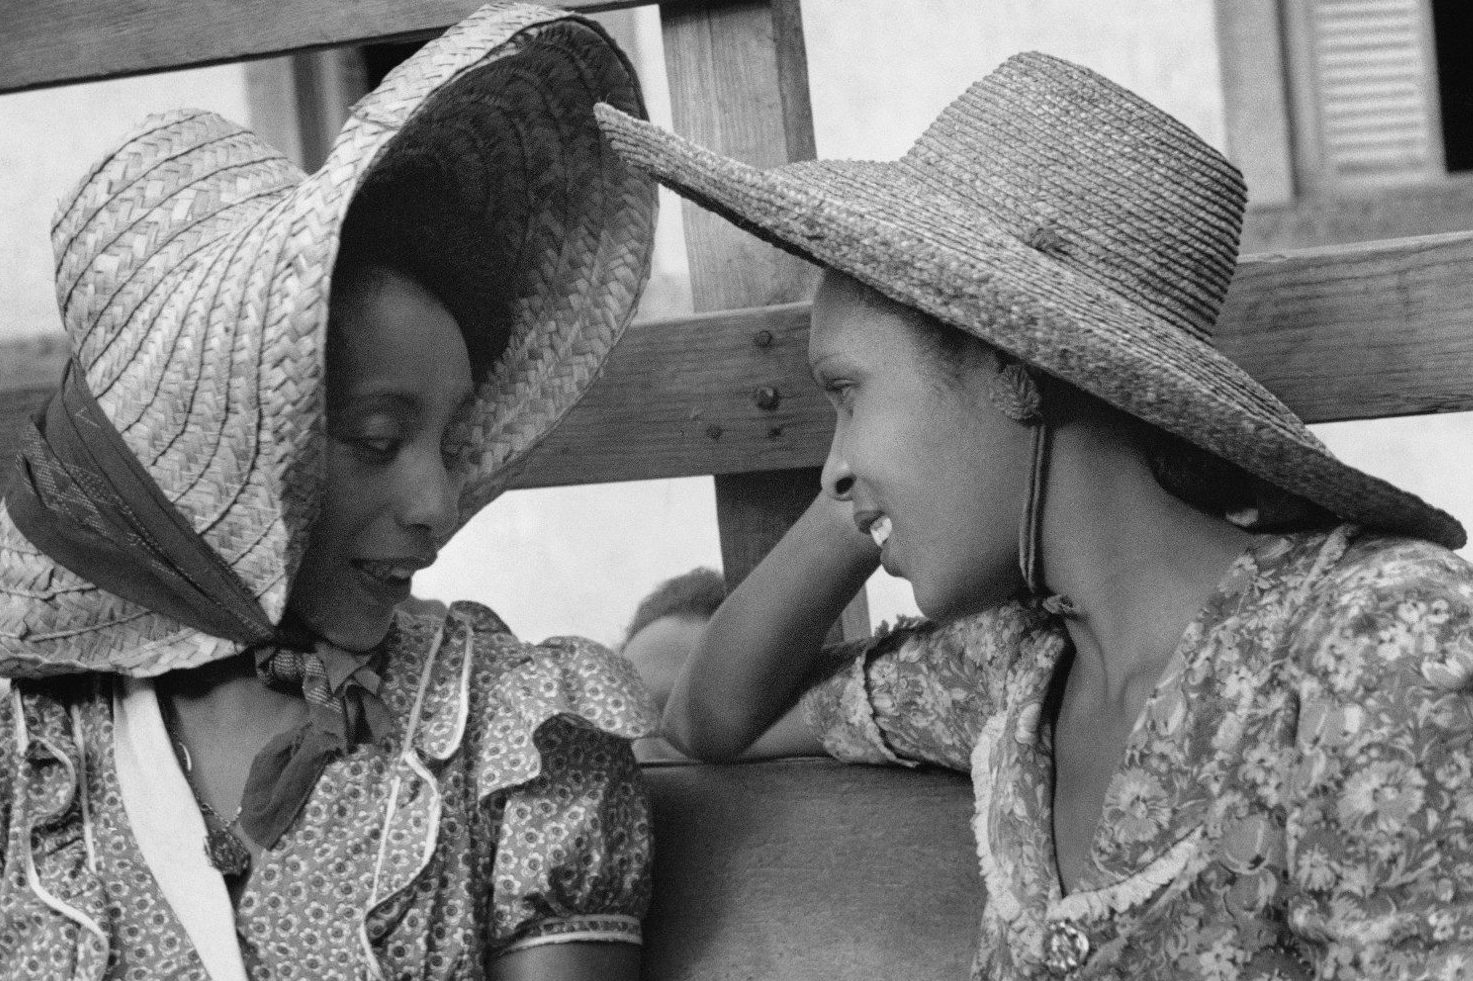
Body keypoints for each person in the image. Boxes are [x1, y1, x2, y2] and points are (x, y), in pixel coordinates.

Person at [597, 53, 1473, 978]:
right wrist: (871, 491)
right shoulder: (1008, 672)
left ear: (1014, 370)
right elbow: (710, 717)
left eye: (848, 393)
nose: (832, 466)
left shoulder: (1372, 641)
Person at [0, 6, 659, 979]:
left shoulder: (508, 733)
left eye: (448, 440)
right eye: (377, 440)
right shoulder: (30, 750)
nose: (437, 504)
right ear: (221, 455)